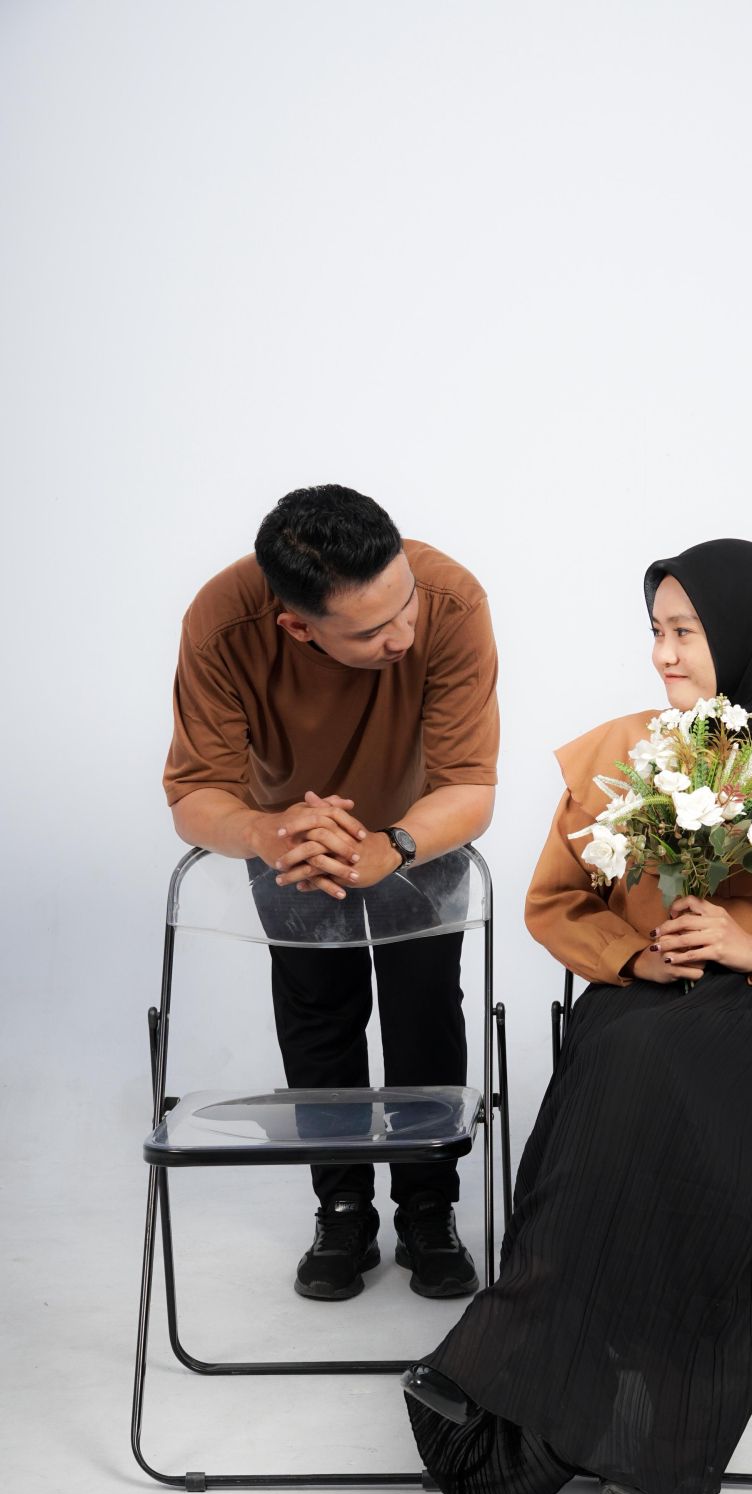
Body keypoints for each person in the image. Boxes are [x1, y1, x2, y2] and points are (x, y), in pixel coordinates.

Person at [401, 537, 752, 1494]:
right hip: (644, 1003)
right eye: (654, 631)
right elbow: (556, 903)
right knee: (626, 1058)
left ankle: (505, 1363)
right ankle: (590, 1405)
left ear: (751, 634)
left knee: (637, 1061)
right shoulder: (621, 749)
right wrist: (634, 956)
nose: (661, 654)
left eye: (684, 632)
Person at [163, 484, 499, 1303]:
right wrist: (268, 832)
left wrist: (395, 846)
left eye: (403, 606)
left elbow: (470, 786)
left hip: (420, 836)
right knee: (318, 1015)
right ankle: (342, 1207)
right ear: (297, 627)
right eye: (372, 631)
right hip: (289, 840)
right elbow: (195, 794)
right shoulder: (222, 621)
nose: (402, 634)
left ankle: (428, 1206)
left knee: (424, 1013)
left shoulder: (451, 599)